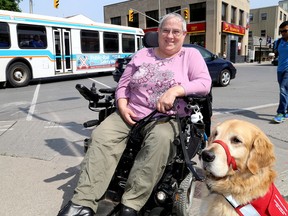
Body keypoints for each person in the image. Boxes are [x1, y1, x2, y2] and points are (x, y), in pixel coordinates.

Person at [57, 13, 211, 216]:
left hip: (165, 117)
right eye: (166, 30)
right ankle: (82, 203)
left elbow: (204, 84)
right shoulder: (142, 54)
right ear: (158, 32)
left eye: (176, 32)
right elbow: (123, 84)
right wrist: (121, 103)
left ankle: (131, 204)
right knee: (101, 136)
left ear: (184, 34)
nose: (170, 36)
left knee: (161, 139)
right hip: (130, 112)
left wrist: (176, 90)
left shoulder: (190, 56)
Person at [273, 20, 288, 123]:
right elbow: (276, 54)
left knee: (283, 90)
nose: (283, 33)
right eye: (281, 31)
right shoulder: (278, 42)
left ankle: (281, 112)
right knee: (285, 91)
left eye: (285, 31)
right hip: (280, 70)